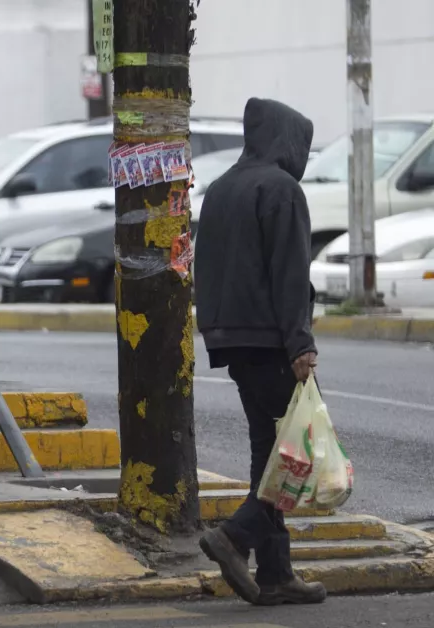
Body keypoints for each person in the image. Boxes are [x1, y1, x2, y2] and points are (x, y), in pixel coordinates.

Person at [194, 97, 326, 607]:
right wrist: (301, 344)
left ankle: (275, 572)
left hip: (233, 339)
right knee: (294, 456)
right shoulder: (282, 189)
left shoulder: (222, 187)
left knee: (268, 455)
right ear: (288, 141)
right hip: (271, 340)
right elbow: (289, 274)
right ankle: (234, 536)